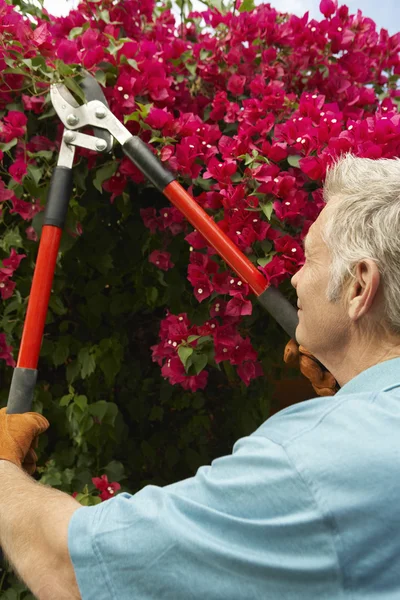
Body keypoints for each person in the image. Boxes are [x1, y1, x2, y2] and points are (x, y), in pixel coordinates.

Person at [1, 153, 400, 599]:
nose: (296, 281)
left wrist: (2, 472)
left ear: (360, 286)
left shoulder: (309, 461)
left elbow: (71, 568)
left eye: (308, 260)